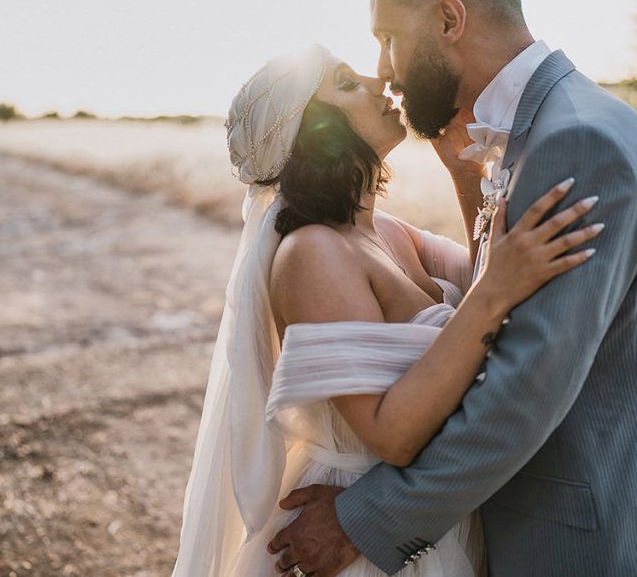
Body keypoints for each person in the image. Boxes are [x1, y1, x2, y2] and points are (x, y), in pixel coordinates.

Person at [268, 0, 637, 577]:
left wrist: (365, 518)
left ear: (449, 20)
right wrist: (468, 176)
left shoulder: (576, 145)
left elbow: (525, 383)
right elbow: (496, 298)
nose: (386, 69)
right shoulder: (555, 128)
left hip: (595, 538)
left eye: (389, 39)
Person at [171, 44, 602, 576]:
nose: (380, 82)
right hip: (358, 528)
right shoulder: (313, 254)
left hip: (427, 512)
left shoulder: (388, 232)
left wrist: (464, 176)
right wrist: (495, 289)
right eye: (348, 84)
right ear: (318, 133)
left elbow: (483, 282)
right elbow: (390, 434)